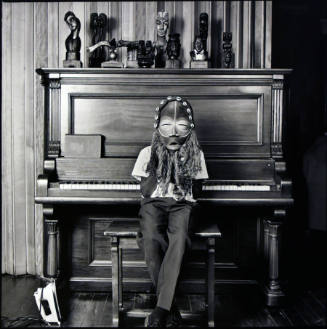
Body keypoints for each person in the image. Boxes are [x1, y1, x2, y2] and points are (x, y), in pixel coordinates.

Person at [131, 96, 209, 327]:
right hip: (153, 204)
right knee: (151, 238)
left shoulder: (196, 154)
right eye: (167, 127)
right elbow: (145, 191)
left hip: (183, 204)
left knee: (180, 239)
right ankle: (168, 308)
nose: (173, 135)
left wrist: (183, 172)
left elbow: (198, 191)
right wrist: (159, 165)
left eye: (181, 128)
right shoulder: (147, 152)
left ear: (189, 130)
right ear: (158, 129)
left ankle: (160, 309)